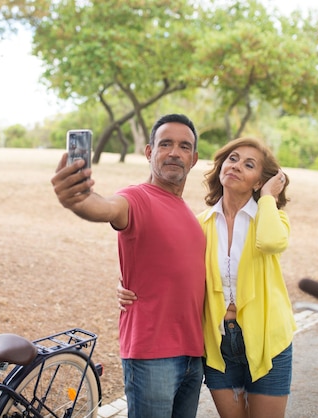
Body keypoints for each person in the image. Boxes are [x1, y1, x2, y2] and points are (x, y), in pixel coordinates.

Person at [119, 136, 296, 418]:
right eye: (232, 159)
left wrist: (267, 199)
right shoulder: (200, 223)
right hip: (218, 346)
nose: (236, 166)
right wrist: (127, 285)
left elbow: (270, 243)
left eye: (249, 165)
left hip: (268, 343)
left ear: (258, 181)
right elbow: (170, 266)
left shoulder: (272, 216)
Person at [51, 114, 207, 418]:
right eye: (165, 144)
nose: (175, 152)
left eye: (184, 146)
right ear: (149, 152)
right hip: (152, 356)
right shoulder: (137, 197)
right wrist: (78, 199)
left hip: (193, 354)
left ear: (194, 158)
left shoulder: (190, 214)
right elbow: (106, 206)